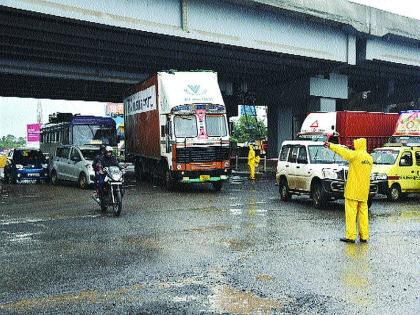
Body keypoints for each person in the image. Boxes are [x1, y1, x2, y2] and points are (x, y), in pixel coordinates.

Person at [324, 138, 373, 243]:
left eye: (355, 145)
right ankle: (364, 236)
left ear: (358, 145)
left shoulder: (355, 155)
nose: (354, 146)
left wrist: (331, 145)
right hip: (364, 192)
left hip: (353, 191)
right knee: (363, 215)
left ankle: (351, 236)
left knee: (351, 215)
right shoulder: (369, 158)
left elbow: (343, 152)